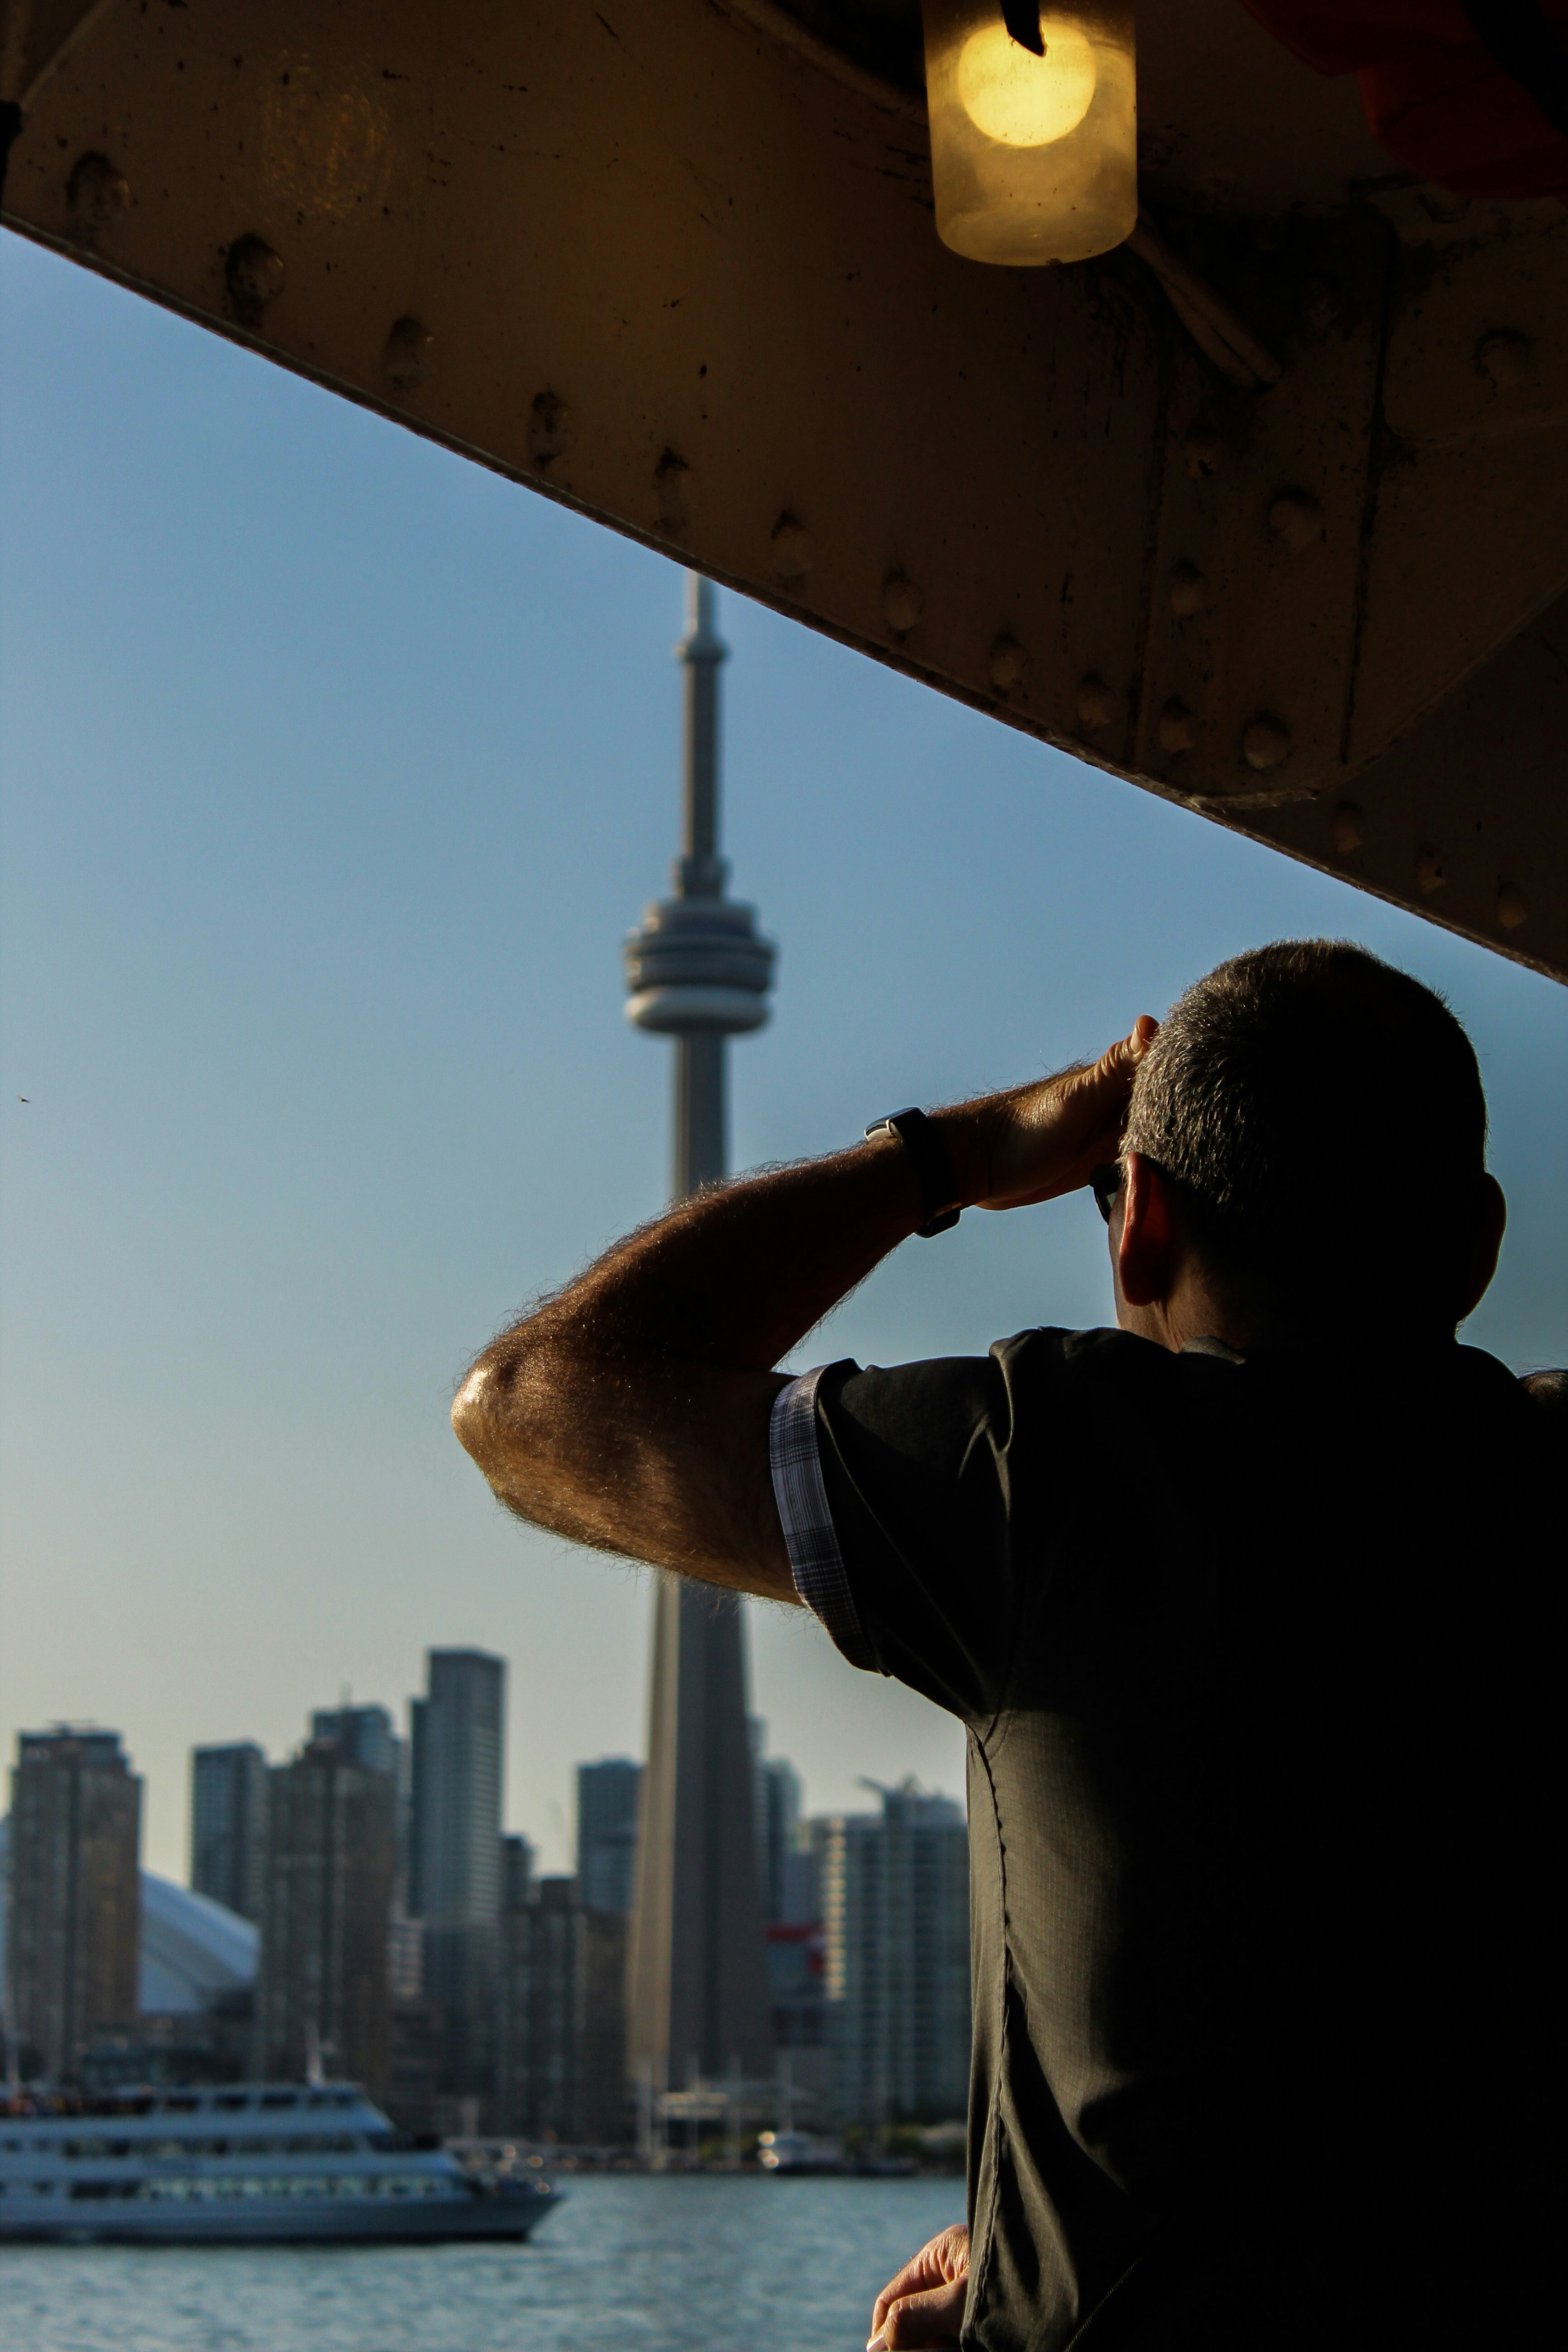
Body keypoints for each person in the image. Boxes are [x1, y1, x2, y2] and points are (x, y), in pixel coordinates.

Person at [451, 940, 1563, 2351]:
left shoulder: (1063, 1475)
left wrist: (953, 1153)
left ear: (1140, 1221)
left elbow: (532, 1410)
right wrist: (1052, 2253)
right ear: (1480, 1242)